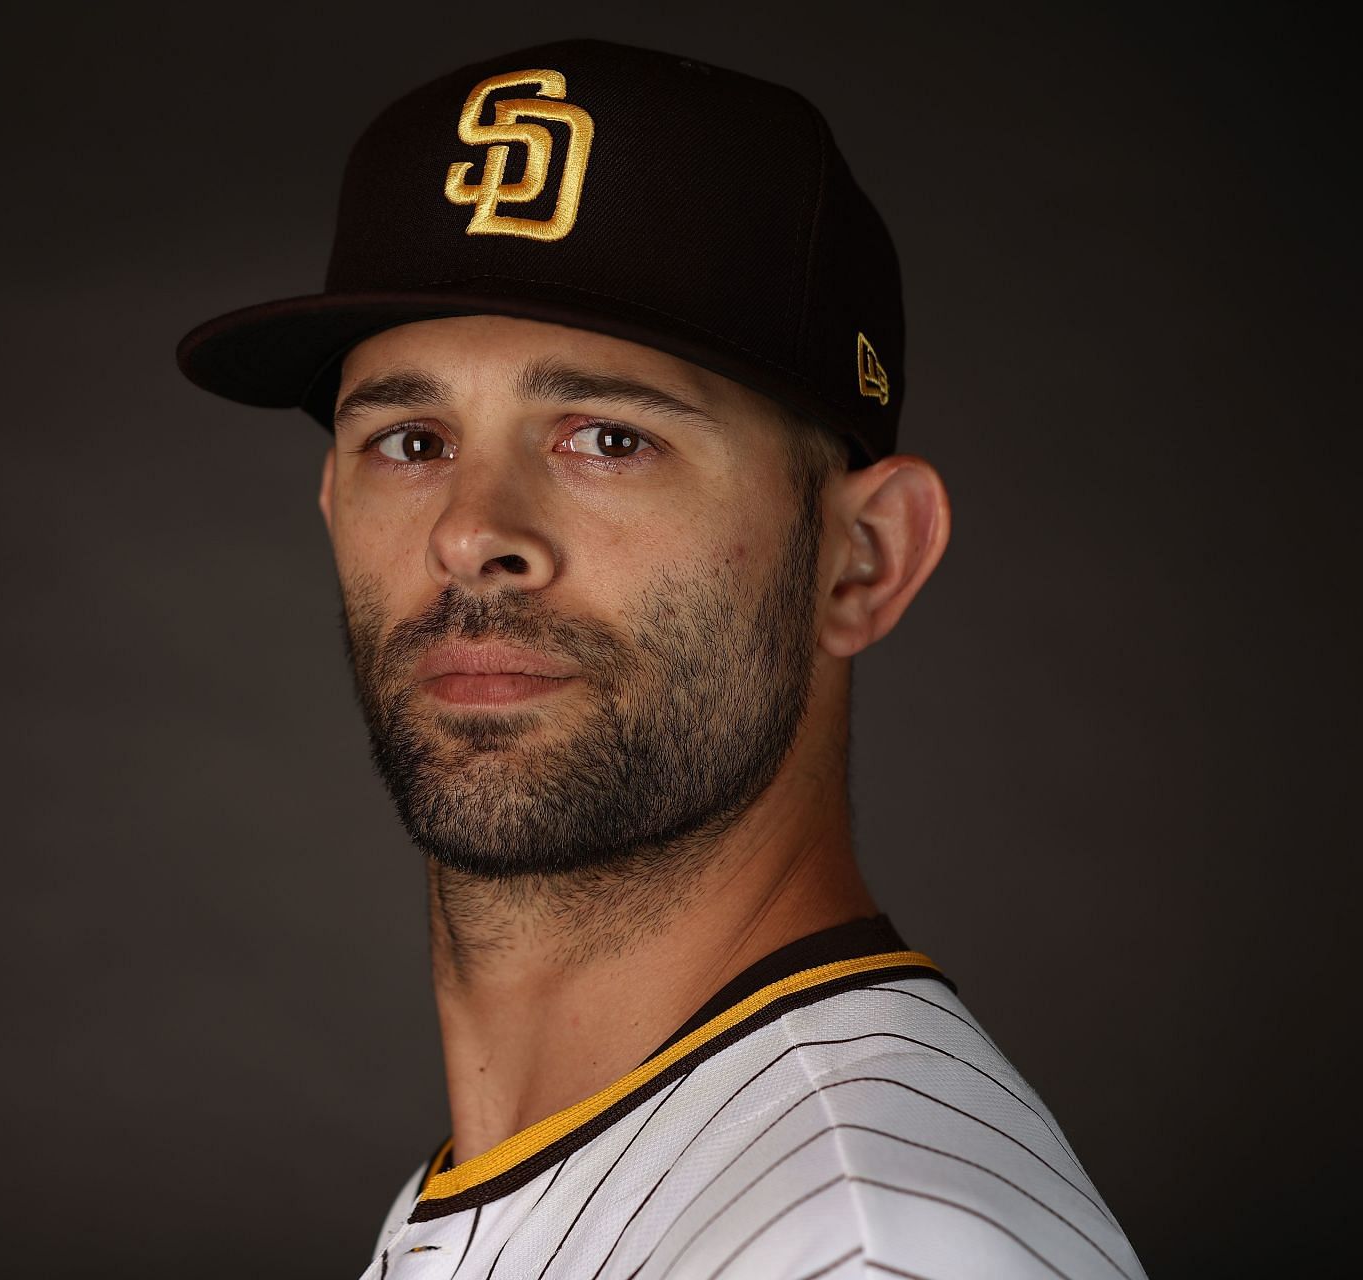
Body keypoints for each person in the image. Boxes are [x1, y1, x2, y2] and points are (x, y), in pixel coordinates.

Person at [177, 37, 1145, 1280]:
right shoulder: (591, 1156)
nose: (473, 531)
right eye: (411, 440)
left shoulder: (865, 1247)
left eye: (609, 437)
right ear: (329, 504)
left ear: (864, 557)